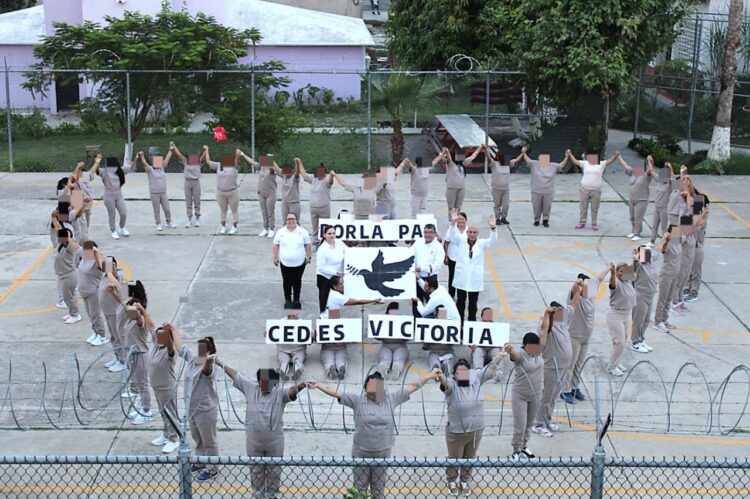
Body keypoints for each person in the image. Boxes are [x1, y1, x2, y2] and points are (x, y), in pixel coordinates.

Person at [307, 369, 439, 499]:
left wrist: (430, 376)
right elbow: (336, 392)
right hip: (361, 453)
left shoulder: (391, 400)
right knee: (359, 489)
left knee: (379, 489)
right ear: (366, 389)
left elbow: (413, 386)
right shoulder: (358, 401)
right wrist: (318, 385)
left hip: (383, 454)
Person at [218, 358, 306, 499]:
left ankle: (272, 495)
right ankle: (258, 496)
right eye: (262, 382)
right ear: (258, 382)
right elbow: (235, 374)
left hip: (274, 444)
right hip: (254, 443)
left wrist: (300, 386)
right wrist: (219, 362)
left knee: (274, 471)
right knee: (255, 471)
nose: (265, 386)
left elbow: (291, 392)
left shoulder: (279, 393)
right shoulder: (250, 388)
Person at [437, 356, 502, 495]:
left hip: (476, 430)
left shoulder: (476, 380)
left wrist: (500, 355)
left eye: (464, 371)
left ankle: (464, 481)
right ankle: (451, 480)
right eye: (458, 372)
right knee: (455, 459)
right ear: (454, 374)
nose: (461, 374)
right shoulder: (452, 386)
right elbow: (445, 384)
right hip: (456, 432)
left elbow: (489, 367)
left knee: (470, 458)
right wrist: (441, 377)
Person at [532, 285, 583, 437]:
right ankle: (538, 424)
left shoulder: (563, 320)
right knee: (546, 397)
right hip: (551, 367)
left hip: (563, 367)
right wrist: (547, 314)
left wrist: (579, 289)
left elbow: (573, 305)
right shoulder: (545, 324)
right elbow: (544, 329)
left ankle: (547, 421)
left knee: (554, 396)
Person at [108, 279, 154, 425]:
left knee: (143, 384)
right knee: (139, 384)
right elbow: (122, 302)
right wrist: (113, 293)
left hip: (140, 355)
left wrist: (140, 310)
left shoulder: (139, 322)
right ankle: (142, 406)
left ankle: (146, 411)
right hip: (132, 355)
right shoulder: (129, 320)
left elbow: (143, 318)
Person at [319, 275, 381, 379]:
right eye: (341, 284)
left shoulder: (327, 292)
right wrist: (372, 300)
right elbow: (356, 301)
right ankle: (341, 365)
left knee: (327, 349)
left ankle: (330, 367)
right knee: (340, 349)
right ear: (334, 286)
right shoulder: (337, 296)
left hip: (325, 325)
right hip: (334, 326)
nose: (343, 285)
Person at [560, 271, 607, 404]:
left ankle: (574, 387)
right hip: (574, 337)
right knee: (570, 365)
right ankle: (565, 390)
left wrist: (609, 268)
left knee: (578, 365)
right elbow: (573, 290)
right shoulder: (575, 298)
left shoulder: (590, 295)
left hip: (586, 338)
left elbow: (599, 279)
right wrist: (577, 284)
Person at [180, 336, 220, 481]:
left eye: (202, 350)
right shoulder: (193, 359)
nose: (198, 352)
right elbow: (179, 347)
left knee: (209, 441)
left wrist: (209, 360)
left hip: (205, 410)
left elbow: (206, 369)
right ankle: (201, 461)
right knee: (197, 438)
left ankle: (212, 468)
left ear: (208, 352)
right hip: (192, 409)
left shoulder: (209, 366)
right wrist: (172, 330)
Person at [446, 211, 497, 322]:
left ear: (477, 233)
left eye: (474, 232)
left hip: (474, 279)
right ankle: (460, 324)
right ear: (467, 233)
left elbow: (493, 241)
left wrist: (493, 228)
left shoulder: (481, 244)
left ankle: (471, 324)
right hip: (462, 278)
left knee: (473, 305)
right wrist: (453, 223)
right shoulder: (461, 241)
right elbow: (452, 235)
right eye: (470, 232)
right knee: (460, 303)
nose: (472, 234)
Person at [505, 333, 544, 460]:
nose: (533, 348)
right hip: (520, 395)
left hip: (536, 394)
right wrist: (510, 351)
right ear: (524, 345)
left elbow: (544, 334)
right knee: (520, 425)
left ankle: (524, 446)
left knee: (529, 424)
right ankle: (516, 450)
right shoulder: (521, 354)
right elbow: (514, 356)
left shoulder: (538, 353)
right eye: (530, 346)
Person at [515, 147, 569, 227]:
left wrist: (567, 156)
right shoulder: (534, 164)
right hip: (536, 191)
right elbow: (527, 159)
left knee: (547, 207)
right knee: (536, 206)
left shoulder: (553, 166)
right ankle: (536, 220)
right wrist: (523, 152)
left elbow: (562, 165)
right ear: (539, 158)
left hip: (548, 191)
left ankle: (545, 220)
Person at [149, 323, 181, 453]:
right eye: (158, 336)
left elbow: (170, 346)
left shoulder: (169, 351)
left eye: (162, 336)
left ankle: (173, 439)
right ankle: (166, 434)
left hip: (166, 387)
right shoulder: (156, 347)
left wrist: (170, 331)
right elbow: (150, 326)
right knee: (163, 412)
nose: (159, 338)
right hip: (157, 386)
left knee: (170, 413)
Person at [568, 150, 619, 231]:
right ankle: (582, 222)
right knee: (583, 207)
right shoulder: (585, 163)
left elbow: (610, 161)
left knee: (594, 208)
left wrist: (615, 156)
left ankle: (594, 223)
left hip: (596, 190)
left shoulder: (601, 164)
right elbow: (575, 161)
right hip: (584, 188)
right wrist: (570, 154)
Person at [273, 213, 312, 309]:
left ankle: (296, 299)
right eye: (289, 219)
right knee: (286, 281)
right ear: (286, 221)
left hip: (300, 263)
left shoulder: (303, 232)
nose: (291, 221)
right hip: (285, 263)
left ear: (296, 220)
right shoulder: (280, 232)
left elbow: (307, 245)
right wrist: (275, 257)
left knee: (297, 281)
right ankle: (287, 299)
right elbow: (276, 245)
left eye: (293, 218)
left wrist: (309, 256)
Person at [605, 262, 636, 376]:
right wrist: (612, 273)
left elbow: (637, 268)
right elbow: (612, 283)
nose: (622, 273)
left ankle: (616, 363)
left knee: (624, 339)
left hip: (627, 314)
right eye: (620, 271)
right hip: (616, 315)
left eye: (624, 271)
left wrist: (636, 259)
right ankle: (612, 367)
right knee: (619, 342)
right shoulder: (616, 282)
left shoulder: (628, 280)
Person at [91, 153, 131, 240]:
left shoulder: (120, 170)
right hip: (109, 195)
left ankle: (122, 228)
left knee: (123, 213)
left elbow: (130, 168)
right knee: (112, 214)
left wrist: (136, 158)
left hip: (119, 194)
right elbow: (97, 170)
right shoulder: (104, 171)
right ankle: (113, 231)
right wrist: (97, 161)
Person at [203, 145, 241, 235]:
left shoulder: (234, 166)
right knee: (223, 210)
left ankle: (234, 227)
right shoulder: (219, 165)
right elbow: (208, 161)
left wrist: (237, 153)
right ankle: (223, 226)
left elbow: (237, 158)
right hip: (220, 192)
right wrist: (207, 150)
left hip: (232, 192)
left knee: (234, 210)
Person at [134, 149, 176, 231]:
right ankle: (158, 224)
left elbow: (167, 158)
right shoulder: (150, 170)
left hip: (163, 192)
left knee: (167, 208)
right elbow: (145, 164)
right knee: (156, 210)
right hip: (154, 193)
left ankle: (169, 222)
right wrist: (142, 156)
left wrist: (170, 150)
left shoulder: (162, 167)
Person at [77, 241, 109, 346]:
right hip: (84, 291)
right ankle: (95, 332)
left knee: (96, 315)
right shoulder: (84, 258)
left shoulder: (99, 260)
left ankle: (102, 336)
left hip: (94, 292)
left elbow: (105, 268)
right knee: (90, 314)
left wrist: (97, 252)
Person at [630, 245, 660, 354]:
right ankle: (635, 342)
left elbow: (659, 250)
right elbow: (628, 274)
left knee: (646, 320)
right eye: (644, 253)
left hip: (650, 295)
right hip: (640, 295)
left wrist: (665, 240)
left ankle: (641, 339)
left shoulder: (650, 261)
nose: (647, 255)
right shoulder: (637, 265)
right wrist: (635, 258)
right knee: (638, 320)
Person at [619, 154, 656, 241]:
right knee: (632, 217)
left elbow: (651, 170)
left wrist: (650, 162)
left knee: (638, 218)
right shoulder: (633, 173)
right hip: (632, 199)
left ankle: (637, 233)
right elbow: (626, 166)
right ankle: (633, 231)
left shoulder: (646, 175)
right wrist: (619, 157)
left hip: (641, 200)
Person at [653, 226, 682, 333]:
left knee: (669, 298)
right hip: (666, 274)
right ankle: (657, 322)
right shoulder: (667, 244)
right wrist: (664, 239)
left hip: (675, 274)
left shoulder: (678, 242)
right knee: (663, 298)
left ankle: (664, 318)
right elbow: (660, 250)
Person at [100, 256, 126, 372]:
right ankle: (117, 357)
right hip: (107, 311)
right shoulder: (105, 275)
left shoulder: (118, 275)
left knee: (118, 337)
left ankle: (123, 360)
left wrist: (110, 270)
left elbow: (116, 282)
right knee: (113, 337)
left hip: (115, 312)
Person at [168, 141, 202, 228]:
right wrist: (174, 146)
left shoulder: (198, 161)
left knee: (197, 201)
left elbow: (204, 158)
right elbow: (178, 154)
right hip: (187, 182)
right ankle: (189, 219)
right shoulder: (186, 161)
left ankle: (197, 219)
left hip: (196, 182)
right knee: (188, 201)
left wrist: (206, 150)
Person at [411, 223, 445, 311]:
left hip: (430, 279)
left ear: (435, 234)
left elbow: (437, 266)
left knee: (431, 302)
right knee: (416, 301)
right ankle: (416, 318)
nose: (428, 235)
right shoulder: (418, 242)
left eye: (430, 232)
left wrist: (421, 268)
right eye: (426, 232)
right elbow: (410, 253)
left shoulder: (438, 247)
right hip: (416, 277)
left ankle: (430, 318)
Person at [300, 160, 335, 241]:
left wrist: (332, 176)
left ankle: (324, 241)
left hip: (324, 209)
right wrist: (299, 163)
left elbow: (330, 182)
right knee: (315, 227)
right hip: (313, 208)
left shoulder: (326, 179)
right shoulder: (313, 179)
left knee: (324, 227)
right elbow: (304, 175)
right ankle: (315, 241)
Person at [52, 226, 81, 324]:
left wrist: (69, 237)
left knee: (69, 297)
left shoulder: (69, 247)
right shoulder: (60, 246)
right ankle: (71, 313)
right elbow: (58, 227)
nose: (58, 237)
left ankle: (75, 315)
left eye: (61, 236)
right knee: (66, 297)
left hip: (69, 275)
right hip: (63, 275)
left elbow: (76, 247)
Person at [246, 151, 278, 238]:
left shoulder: (271, 168)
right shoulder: (262, 167)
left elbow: (277, 169)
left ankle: (271, 229)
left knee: (270, 212)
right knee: (264, 212)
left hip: (270, 193)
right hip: (261, 193)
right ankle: (265, 228)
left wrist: (271, 160)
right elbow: (252, 162)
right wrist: (243, 155)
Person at [316, 226, 346, 313]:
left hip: (336, 277)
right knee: (325, 302)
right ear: (324, 235)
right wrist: (336, 272)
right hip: (324, 277)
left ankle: (334, 318)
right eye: (329, 233)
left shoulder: (340, 243)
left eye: (333, 233)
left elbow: (348, 252)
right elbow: (321, 267)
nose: (332, 235)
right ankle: (323, 317)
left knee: (335, 302)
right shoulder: (322, 249)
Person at [487, 145, 519, 225]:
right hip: (496, 189)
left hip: (506, 189)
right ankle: (497, 218)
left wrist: (523, 153)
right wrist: (485, 150)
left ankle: (503, 218)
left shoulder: (508, 164)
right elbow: (489, 157)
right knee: (497, 205)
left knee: (506, 206)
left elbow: (516, 160)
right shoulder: (494, 164)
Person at [376, 302, 410, 379]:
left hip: (401, 346)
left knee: (399, 359)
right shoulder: (382, 321)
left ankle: (397, 370)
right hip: (386, 346)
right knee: (385, 358)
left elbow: (408, 338)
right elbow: (378, 337)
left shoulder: (404, 321)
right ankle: (384, 369)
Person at [685, 201, 709, 302]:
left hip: (697, 248)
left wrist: (703, 214)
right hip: (688, 247)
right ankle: (687, 287)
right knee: (688, 269)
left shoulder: (702, 221)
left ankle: (694, 291)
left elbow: (692, 229)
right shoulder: (687, 217)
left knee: (696, 271)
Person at [434, 147, 466, 221]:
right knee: (451, 207)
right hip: (451, 188)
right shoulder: (451, 164)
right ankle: (451, 222)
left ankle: (457, 221)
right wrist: (447, 151)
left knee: (458, 207)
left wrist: (479, 149)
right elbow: (449, 157)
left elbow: (472, 157)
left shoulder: (462, 165)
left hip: (461, 188)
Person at [274, 312, 308, 380]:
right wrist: (267, 333)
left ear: (298, 314)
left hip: (299, 350)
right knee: (284, 360)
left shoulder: (303, 323)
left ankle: (297, 371)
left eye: (294, 315)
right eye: (290, 316)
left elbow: (310, 337)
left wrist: (312, 335)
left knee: (298, 360)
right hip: (283, 350)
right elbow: (271, 331)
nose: (292, 317)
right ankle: (283, 371)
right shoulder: (281, 321)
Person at [443, 211, 468, 298]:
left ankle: (461, 296)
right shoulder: (452, 229)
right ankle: (451, 295)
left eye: (463, 219)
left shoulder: (469, 230)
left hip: (464, 258)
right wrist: (446, 256)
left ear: (466, 220)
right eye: (459, 219)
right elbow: (446, 242)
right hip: (453, 257)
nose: (461, 221)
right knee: (452, 277)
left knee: (462, 277)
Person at [471, 308, 503, 374]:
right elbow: (470, 341)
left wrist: (502, 347)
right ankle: (478, 371)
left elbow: (503, 343)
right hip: (480, 349)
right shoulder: (476, 326)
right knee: (477, 351)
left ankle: (498, 372)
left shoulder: (498, 327)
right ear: (482, 316)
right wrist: (471, 346)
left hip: (492, 350)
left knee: (497, 351)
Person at [650, 161, 674, 244]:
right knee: (654, 225)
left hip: (664, 208)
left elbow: (673, 178)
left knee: (664, 227)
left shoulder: (669, 184)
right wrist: (650, 162)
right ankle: (652, 241)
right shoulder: (659, 181)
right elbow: (652, 172)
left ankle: (664, 243)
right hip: (656, 207)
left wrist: (670, 167)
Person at [274, 158, 302, 224]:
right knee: (285, 222)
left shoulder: (295, 178)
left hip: (294, 203)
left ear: (292, 170)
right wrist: (270, 158)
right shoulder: (284, 176)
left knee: (295, 222)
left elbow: (297, 172)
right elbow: (277, 168)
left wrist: (296, 163)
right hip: (285, 203)